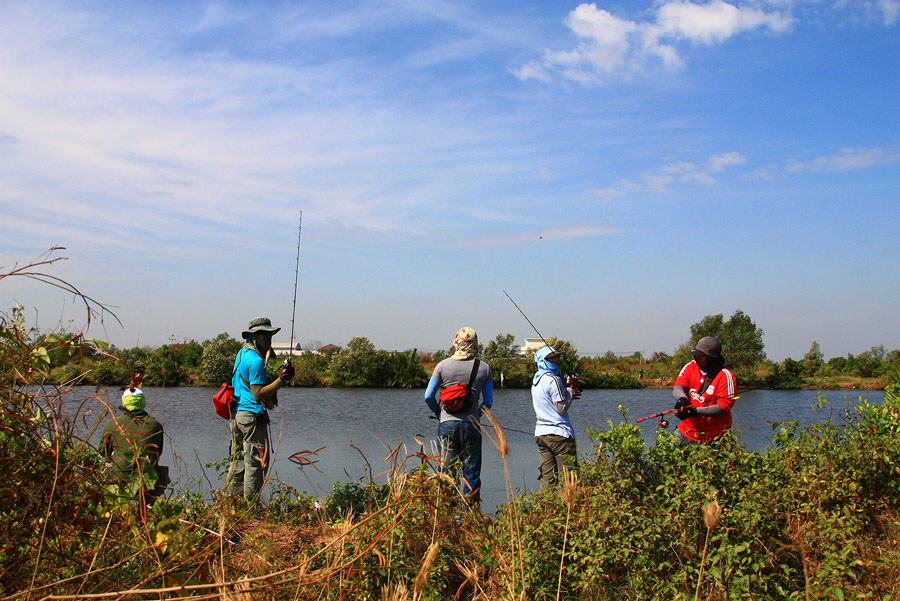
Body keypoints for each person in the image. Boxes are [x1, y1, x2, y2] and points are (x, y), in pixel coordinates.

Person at [424, 327, 493, 506]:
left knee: (445, 471)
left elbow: (428, 396)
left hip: (447, 426)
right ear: (476, 344)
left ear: (456, 341)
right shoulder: (484, 368)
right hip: (472, 426)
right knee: (470, 472)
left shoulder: (442, 366)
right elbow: (488, 403)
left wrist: (440, 415)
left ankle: (444, 512)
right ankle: (467, 516)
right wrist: (476, 415)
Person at [228, 317, 294, 500]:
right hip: (251, 418)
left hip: (236, 416)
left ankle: (232, 503)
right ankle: (251, 507)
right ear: (256, 337)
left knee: (239, 462)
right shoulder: (256, 361)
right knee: (256, 464)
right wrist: (282, 380)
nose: (269, 341)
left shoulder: (241, 354)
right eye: (266, 336)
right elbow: (257, 394)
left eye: (270, 336)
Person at [101, 385, 167, 505]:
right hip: (147, 480)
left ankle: (111, 505)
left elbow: (103, 452)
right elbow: (158, 453)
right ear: (143, 403)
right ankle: (148, 508)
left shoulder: (111, 424)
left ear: (124, 403)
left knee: (102, 466)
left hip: (120, 480)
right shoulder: (155, 425)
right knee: (160, 471)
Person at [531, 345, 580, 489]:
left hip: (541, 435)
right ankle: (570, 508)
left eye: (558, 357)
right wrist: (570, 391)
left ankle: (546, 508)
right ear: (543, 360)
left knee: (547, 479)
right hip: (560, 435)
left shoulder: (536, 381)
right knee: (569, 478)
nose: (557, 360)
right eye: (552, 358)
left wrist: (567, 393)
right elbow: (561, 408)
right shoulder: (554, 380)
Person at [672, 336, 737, 444]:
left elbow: (723, 408)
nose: (698, 359)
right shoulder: (690, 366)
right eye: (696, 356)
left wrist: (695, 412)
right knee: (665, 451)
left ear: (712, 357)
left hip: (715, 437)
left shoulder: (725, 376)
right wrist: (682, 399)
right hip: (686, 431)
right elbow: (678, 387)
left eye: (702, 356)